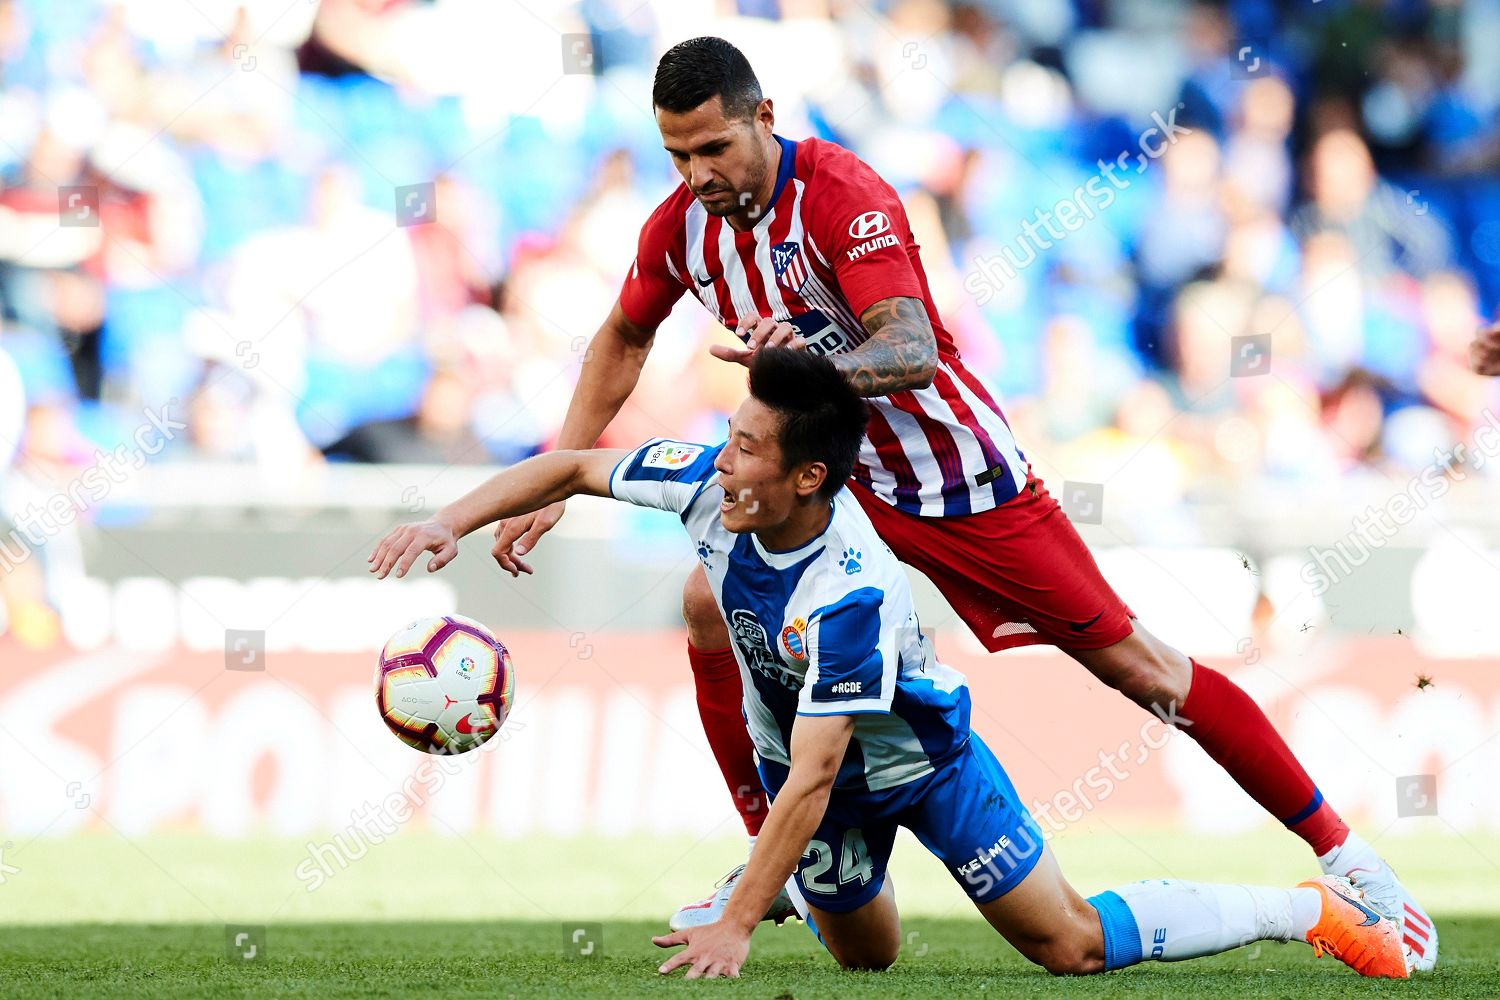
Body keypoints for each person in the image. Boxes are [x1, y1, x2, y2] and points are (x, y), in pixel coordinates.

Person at [484, 36, 1435, 971]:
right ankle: (773, 863)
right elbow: (621, 335)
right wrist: (560, 466)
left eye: (713, 149)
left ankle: (1353, 865)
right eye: (677, 155)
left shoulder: (845, 196)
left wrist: (805, 365)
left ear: (763, 119)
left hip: (959, 480)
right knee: (706, 603)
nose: (697, 175)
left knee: (1141, 669)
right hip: (842, 479)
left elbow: (911, 352)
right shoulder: (682, 229)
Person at [369, 349, 1408, 981]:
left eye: (743, 448)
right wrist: (449, 521)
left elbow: (821, 775)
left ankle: (1305, 910)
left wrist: (736, 923)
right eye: (726, 437)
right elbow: (574, 466)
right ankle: (776, 882)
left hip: (923, 768)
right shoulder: (711, 487)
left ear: (808, 476)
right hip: (811, 780)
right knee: (869, 961)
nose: (718, 458)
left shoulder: (849, 593)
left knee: (1071, 947)